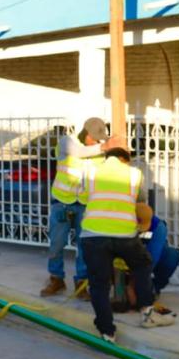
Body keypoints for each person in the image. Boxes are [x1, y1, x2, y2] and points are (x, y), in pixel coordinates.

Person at [78, 135, 175, 344]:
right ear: (125, 158)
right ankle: (147, 311)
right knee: (143, 265)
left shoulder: (91, 171)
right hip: (125, 236)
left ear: (107, 157)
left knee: (98, 285)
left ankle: (107, 332)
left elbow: (84, 198)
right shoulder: (134, 174)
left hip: (93, 236)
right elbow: (140, 203)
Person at [42, 117, 109, 299]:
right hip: (62, 202)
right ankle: (56, 278)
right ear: (85, 133)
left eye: (99, 139)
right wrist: (104, 147)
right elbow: (79, 152)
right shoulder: (67, 142)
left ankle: (81, 282)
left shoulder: (98, 152)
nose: (97, 142)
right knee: (56, 243)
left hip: (85, 205)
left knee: (84, 246)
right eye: (94, 138)